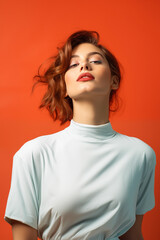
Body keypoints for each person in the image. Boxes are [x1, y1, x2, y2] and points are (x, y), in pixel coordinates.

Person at [4, 30, 156, 240]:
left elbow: (133, 235)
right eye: (74, 65)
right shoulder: (34, 154)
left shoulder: (141, 154)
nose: (84, 66)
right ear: (65, 87)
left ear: (114, 82)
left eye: (95, 61)